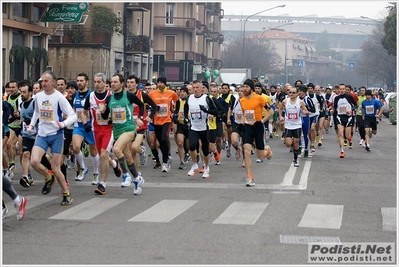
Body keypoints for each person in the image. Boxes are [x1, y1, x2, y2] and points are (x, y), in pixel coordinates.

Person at [26, 71, 77, 205]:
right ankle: (48, 178)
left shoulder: (59, 97)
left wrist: (62, 124)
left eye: (46, 81)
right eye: (42, 81)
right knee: (34, 161)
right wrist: (32, 124)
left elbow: (73, 116)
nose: (43, 83)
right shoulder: (38, 96)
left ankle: (66, 193)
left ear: (52, 82)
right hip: (42, 134)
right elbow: (37, 112)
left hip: (56, 135)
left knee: (55, 168)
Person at [99, 74, 145, 195]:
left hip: (129, 128)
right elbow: (105, 117)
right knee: (128, 156)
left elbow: (141, 104)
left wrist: (140, 117)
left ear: (122, 83)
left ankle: (125, 175)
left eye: (115, 82)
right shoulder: (109, 99)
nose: (113, 84)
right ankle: (137, 178)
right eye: (111, 82)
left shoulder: (128, 95)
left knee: (116, 149)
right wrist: (102, 111)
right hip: (117, 129)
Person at [81, 73, 122, 195]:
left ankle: (102, 183)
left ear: (105, 83)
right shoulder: (91, 96)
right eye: (95, 82)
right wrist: (85, 124)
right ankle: (114, 163)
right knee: (101, 155)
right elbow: (83, 113)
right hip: (96, 129)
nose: (97, 84)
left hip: (109, 130)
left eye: (99, 82)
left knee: (104, 154)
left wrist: (112, 119)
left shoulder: (111, 96)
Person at [239, 79, 273, 187]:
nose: (244, 89)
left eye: (246, 87)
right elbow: (244, 113)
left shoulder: (260, 98)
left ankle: (267, 151)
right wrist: (242, 123)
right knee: (247, 151)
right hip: (248, 128)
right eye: (243, 87)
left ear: (251, 88)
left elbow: (271, 111)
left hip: (258, 127)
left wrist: (262, 121)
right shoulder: (242, 100)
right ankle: (249, 177)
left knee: (260, 156)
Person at [186, 80, 221, 179]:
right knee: (192, 146)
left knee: (205, 151)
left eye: (197, 87)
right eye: (194, 88)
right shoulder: (190, 98)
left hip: (204, 128)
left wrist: (206, 110)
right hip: (193, 127)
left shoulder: (206, 98)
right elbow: (186, 108)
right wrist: (185, 116)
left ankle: (206, 168)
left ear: (202, 88)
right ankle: (195, 165)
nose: (195, 90)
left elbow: (215, 110)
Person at [71, 73, 100, 183]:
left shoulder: (92, 95)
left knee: (93, 151)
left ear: (87, 82)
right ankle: (83, 168)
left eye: (82, 81)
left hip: (90, 126)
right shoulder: (75, 95)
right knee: (75, 147)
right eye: (78, 81)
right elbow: (74, 110)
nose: (79, 83)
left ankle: (96, 173)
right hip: (78, 126)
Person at [148, 77, 179, 173]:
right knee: (159, 143)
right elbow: (148, 104)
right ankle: (164, 157)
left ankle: (165, 162)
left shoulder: (171, 93)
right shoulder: (152, 94)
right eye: (158, 82)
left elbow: (177, 102)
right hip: (156, 121)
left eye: (162, 83)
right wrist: (153, 108)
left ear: (165, 84)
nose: (160, 84)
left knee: (164, 139)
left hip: (167, 120)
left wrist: (175, 112)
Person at [279, 85, 310, 167]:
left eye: (293, 93)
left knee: (296, 143)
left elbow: (305, 110)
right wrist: (281, 116)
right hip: (288, 125)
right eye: (290, 92)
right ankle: (293, 145)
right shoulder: (285, 101)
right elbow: (280, 108)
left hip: (297, 125)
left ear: (297, 94)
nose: (291, 94)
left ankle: (295, 159)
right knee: (288, 144)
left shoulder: (300, 102)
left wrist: (305, 112)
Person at [332, 83, 358, 158]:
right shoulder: (336, 98)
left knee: (347, 135)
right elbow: (335, 107)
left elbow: (356, 105)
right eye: (340, 89)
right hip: (339, 117)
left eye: (343, 89)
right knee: (340, 134)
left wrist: (350, 110)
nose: (342, 90)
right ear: (339, 90)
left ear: (345, 90)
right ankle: (342, 151)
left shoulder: (349, 97)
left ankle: (349, 138)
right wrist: (332, 110)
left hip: (348, 117)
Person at [172, 85, 191, 170]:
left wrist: (189, 117)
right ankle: (182, 161)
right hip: (181, 124)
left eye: (184, 92)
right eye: (181, 92)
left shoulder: (190, 101)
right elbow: (176, 111)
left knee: (189, 144)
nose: (182, 93)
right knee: (180, 143)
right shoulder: (178, 101)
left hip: (189, 125)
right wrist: (174, 116)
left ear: (187, 93)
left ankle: (188, 152)